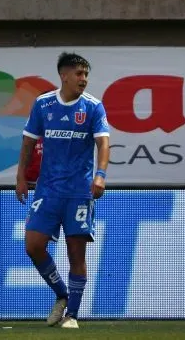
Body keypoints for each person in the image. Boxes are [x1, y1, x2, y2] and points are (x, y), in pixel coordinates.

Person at [16, 52, 110, 330]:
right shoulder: (43, 104)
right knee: (33, 246)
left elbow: (103, 144)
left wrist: (100, 176)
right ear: (64, 75)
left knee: (75, 254)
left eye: (86, 75)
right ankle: (62, 295)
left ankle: (72, 315)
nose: (84, 79)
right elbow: (28, 142)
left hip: (79, 192)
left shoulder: (93, 107)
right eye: (79, 74)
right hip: (47, 190)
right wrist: (20, 176)